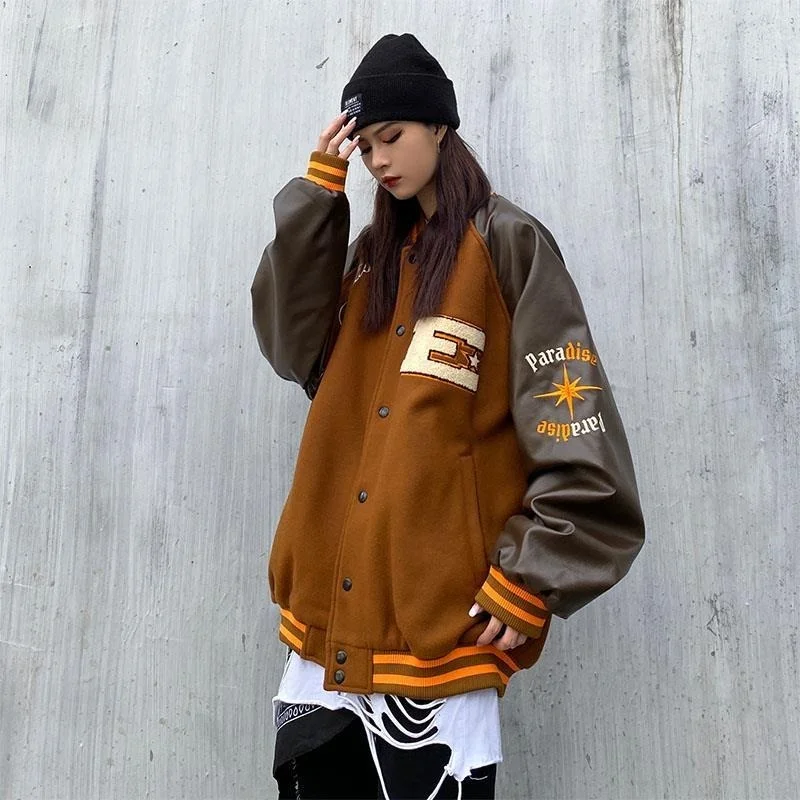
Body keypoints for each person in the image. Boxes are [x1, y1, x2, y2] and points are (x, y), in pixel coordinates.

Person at [251, 32, 645, 800]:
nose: (378, 159)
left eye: (392, 135)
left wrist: (535, 574)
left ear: (439, 126)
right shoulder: (370, 259)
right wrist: (317, 200)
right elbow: (294, 351)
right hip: (324, 637)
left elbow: (571, 415)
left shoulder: (508, 244)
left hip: (437, 642)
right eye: (365, 146)